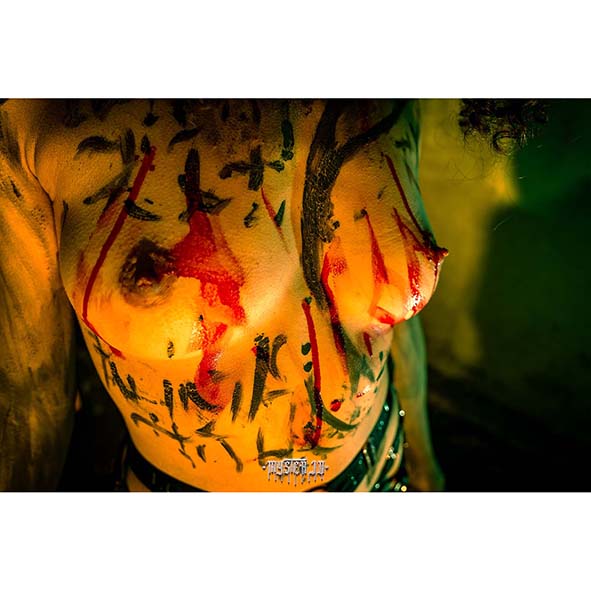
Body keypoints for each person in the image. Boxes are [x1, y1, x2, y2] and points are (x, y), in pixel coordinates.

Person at [2, 98, 536, 491]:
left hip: (381, 472)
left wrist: (425, 464)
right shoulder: (39, 110)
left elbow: (389, 322)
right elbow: (31, 390)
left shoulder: (385, 93)